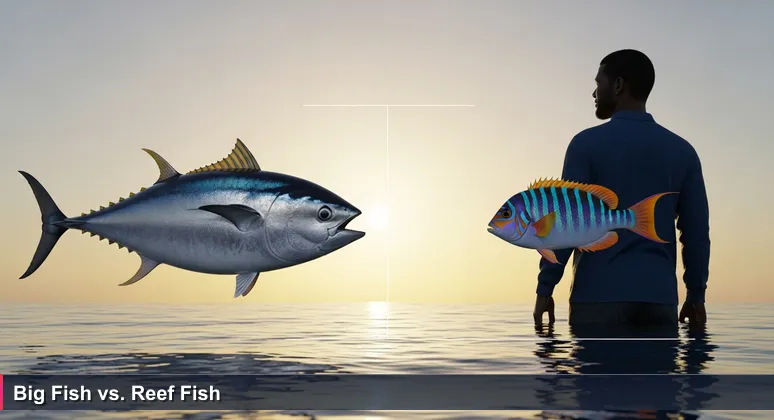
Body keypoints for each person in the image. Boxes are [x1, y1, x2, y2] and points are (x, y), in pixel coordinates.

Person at [533, 49, 710, 327]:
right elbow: (696, 232)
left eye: (597, 83)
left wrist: (545, 288)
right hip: (659, 301)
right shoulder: (683, 152)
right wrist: (696, 294)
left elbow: (564, 226)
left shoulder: (585, 145)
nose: (594, 93)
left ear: (617, 85)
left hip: (596, 301)